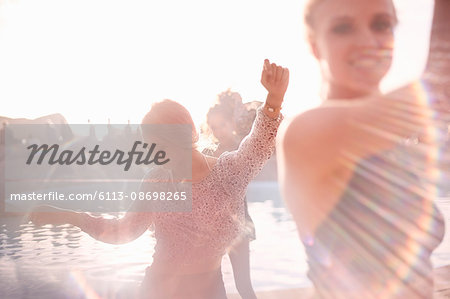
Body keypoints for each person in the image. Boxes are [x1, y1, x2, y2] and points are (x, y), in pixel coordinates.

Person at [29, 59, 289, 299]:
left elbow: (257, 146)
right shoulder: (156, 181)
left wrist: (274, 99)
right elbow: (126, 231)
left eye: (156, 146)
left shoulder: (227, 174)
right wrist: (70, 217)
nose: (152, 155)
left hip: (210, 290)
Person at [276, 0, 445, 298]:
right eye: (343, 28)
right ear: (315, 45)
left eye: (381, 24)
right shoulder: (305, 133)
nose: (368, 41)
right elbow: (441, 88)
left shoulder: (394, 138)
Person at [205, 91, 262, 299]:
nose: (219, 131)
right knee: (213, 286)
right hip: (213, 227)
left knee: (243, 285)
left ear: (231, 122)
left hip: (239, 226)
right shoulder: (209, 153)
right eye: (214, 127)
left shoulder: (242, 147)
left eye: (222, 125)